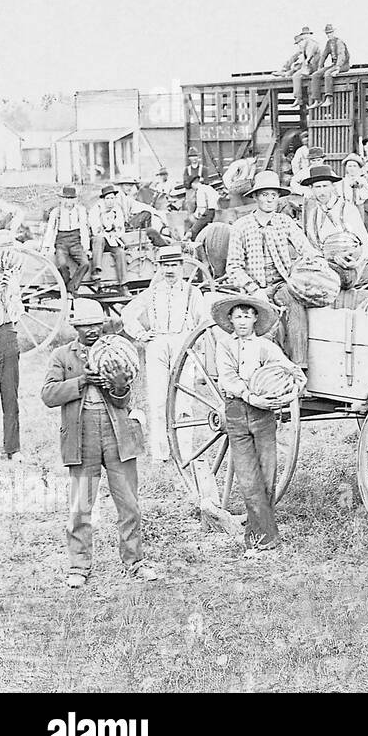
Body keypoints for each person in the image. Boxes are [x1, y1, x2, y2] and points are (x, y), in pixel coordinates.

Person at [43, 298, 160, 588]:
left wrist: (118, 385)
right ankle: (79, 566)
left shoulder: (117, 351)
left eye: (96, 324)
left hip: (117, 433)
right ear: (76, 329)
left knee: (129, 504)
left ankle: (134, 561)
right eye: (85, 326)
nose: (92, 330)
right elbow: (48, 395)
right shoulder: (62, 356)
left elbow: (125, 401)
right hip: (82, 436)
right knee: (82, 505)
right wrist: (83, 381)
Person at [211, 292, 294, 554]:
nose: (243, 321)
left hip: (263, 416)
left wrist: (288, 391)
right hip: (237, 413)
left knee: (267, 475)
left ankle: (261, 535)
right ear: (231, 320)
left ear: (256, 318)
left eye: (248, 316)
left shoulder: (266, 347)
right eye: (238, 317)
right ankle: (262, 538)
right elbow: (227, 378)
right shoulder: (224, 346)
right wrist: (250, 395)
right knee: (248, 477)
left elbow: (294, 372)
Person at [121, 245, 210, 463]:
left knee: (184, 400)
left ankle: (185, 452)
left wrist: (196, 344)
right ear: (159, 268)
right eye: (165, 265)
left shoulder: (192, 292)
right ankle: (160, 453)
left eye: (174, 265)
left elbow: (205, 320)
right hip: (157, 344)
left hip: (183, 344)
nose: (170, 270)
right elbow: (128, 313)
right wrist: (141, 334)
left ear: (181, 267)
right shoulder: (151, 293)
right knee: (158, 399)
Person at [223, 171, 320, 368]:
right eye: (265, 195)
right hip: (254, 289)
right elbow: (233, 267)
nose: (269, 200)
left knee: (295, 305)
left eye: (273, 195)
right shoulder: (241, 226)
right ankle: (262, 368)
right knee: (262, 323)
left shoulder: (284, 222)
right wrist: (254, 290)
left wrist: (315, 259)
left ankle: (298, 365)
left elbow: (305, 247)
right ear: (256, 197)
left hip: (282, 284)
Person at [302, 163, 368, 288]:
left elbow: (367, 244)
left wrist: (357, 262)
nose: (322, 191)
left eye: (325, 186)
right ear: (311, 189)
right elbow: (312, 248)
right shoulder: (313, 215)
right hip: (325, 271)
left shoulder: (347, 209)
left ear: (332, 187)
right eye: (318, 187)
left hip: (349, 269)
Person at [0, 231, 24, 463]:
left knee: (10, 393)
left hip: (5, 331)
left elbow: (17, 313)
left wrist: (8, 292)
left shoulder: (10, 277)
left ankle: (12, 448)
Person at [43, 185, 91, 295]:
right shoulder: (56, 212)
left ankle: (71, 286)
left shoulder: (80, 210)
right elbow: (50, 230)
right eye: (66, 198)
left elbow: (84, 229)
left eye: (71, 198)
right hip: (61, 242)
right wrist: (46, 247)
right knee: (61, 264)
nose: (69, 201)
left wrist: (86, 248)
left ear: (75, 199)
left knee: (85, 263)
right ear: (62, 199)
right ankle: (66, 284)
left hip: (75, 242)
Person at [274, 27, 321, 115]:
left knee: (296, 75)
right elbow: (297, 56)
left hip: (313, 66)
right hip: (308, 66)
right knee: (296, 66)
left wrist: (303, 66)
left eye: (306, 35)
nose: (305, 37)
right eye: (303, 35)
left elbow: (309, 58)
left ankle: (298, 98)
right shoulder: (305, 45)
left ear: (309, 35)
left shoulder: (312, 44)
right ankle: (285, 72)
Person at [88, 184, 128, 284]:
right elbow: (96, 230)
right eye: (108, 198)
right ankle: (96, 272)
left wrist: (115, 232)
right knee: (99, 239)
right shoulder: (96, 210)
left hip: (112, 239)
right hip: (99, 241)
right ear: (104, 199)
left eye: (112, 198)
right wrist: (107, 228)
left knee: (120, 253)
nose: (110, 201)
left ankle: (123, 283)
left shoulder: (117, 210)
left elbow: (120, 228)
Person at [116, 177, 171, 246]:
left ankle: (146, 238)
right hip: (120, 227)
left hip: (126, 224)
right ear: (121, 186)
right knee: (151, 230)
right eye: (126, 185)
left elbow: (143, 207)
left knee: (146, 213)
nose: (129, 188)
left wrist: (160, 216)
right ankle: (148, 237)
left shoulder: (126, 198)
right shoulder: (117, 198)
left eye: (131, 185)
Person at [309, 23, 351, 110]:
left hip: (343, 65)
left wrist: (338, 68)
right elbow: (324, 55)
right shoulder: (329, 43)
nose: (329, 35)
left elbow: (341, 56)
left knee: (328, 73)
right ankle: (317, 99)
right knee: (315, 75)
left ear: (333, 32)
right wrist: (320, 67)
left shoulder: (339, 42)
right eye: (327, 33)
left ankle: (329, 98)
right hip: (334, 64)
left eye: (330, 32)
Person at [185, 173, 220, 240]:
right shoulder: (208, 187)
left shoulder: (200, 190)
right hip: (217, 211)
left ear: (193, 184)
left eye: (192, 187)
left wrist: (194, 216)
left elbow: (202, 209)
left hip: (209, 213)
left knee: (193, 231)